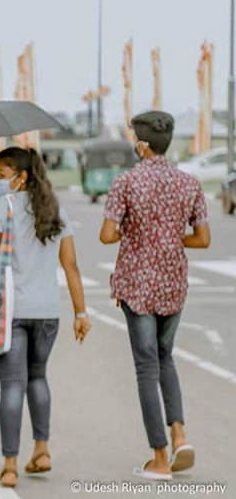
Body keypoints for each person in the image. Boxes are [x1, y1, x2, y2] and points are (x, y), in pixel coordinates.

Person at [99, 111, 210, 481]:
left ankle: (160, 458)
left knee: (146, 366)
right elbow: (202, 239)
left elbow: (107, 235)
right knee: (166, 357)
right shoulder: (189, 183)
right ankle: (180, 436)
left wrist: (137, 232)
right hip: (173, 283)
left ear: (142, 145)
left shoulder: (126, 182)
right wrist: (168, 237)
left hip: (136, 284)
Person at [0, 146, 90, 488]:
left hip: (12, 310)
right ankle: (42, 450)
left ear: (21, 176)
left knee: (12, 385)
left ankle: (10, 465)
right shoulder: (55, 209)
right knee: (38, 378)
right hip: (48, 314)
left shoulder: (4, 206)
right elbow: (70, 265)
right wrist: (80, 312)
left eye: (1, 176)